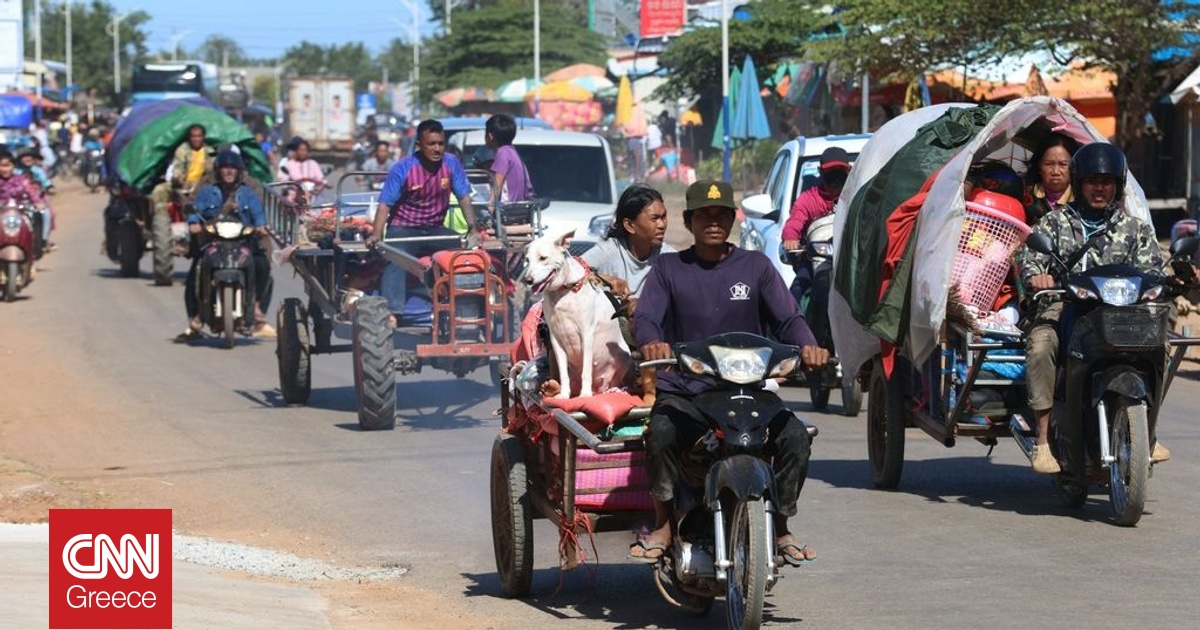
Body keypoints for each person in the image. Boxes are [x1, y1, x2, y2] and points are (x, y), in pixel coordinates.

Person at [630, 179, 828, 564]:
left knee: (795, 439)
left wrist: (809, 345)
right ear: (689, 221)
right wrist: (652, 342)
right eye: (704, 215)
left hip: (747, 391)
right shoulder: (670, 268)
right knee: (661, 432)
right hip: (687, 391)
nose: (713, 222)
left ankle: (782, 525)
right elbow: (648, 318)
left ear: (733, 219)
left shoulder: (756, 266)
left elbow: (788, 318)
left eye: (721, 215)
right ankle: (664, 522)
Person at [1019, 142, 1166, 474]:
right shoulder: (1055, 224)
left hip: (1120, 312)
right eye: (1092, 181)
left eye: (1107, 182)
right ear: (1080, 182)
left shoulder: (1134, 229)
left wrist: (1163, 282)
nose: (1099, 189)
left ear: (1117, 185)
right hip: (1064, 305)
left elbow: (1153, 268)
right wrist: (1037, 276)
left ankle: (1149, 431)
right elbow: (1029, 261)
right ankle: (1043, 442)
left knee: (1161, 341)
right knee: (1042, 345)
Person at [367, 119, 479, 320]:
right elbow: (384, 204)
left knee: (463, 255)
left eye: (440, 144)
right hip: (403, 229)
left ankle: (464, 305)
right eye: (431, 144)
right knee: (395, 257)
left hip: (435, 229)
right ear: (419, 144)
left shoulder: (451, 163)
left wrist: (473, 229)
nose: (437, 149)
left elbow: (464, 197)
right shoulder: (403, 168)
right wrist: (376, 234)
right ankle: (393, 312)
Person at [175, 150, 274, 342]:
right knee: (197, 271)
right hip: (214, 241)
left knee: (262, 265)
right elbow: (196, 207)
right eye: (225, 168)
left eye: (233, 168)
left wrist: (261, 226)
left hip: (243, 241)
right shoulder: (207, 189)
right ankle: (197, 318)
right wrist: (194, 222)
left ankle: (254, 305)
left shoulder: (248, 191)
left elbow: (258, 212)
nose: (229, 172)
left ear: (239, 171)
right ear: (218, 170)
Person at [781, 146, 852, 304]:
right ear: (821, 172)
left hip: (851, 257)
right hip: (816, 259)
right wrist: (790, 237)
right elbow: (795, 221)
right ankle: (791, 325)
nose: (836, 177)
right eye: (831, 172)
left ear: (850, 171)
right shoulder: (808, 199)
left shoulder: (856, 196)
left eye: (840, 171)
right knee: (797, 289)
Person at [582, 183, 675, 299]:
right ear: (630, 225)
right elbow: (572, 270)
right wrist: (604, 279)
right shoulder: (609, 252)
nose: (661, 225)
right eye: (654, 219)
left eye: (663, 217)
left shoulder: (668, 258)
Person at [150, 124, 215, 285]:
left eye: (199, 136)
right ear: (189, 138)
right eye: (193, 136)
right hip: (183, 186)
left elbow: (214, 171)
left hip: (203, 187)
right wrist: (179, 180)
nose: (196, 139)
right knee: (158, 191)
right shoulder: (182, 150)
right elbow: (177, 169)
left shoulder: (209, 151)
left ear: (203, 137)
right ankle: (161, 218)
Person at [1024, 133, 1077, 226]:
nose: (1056, 172)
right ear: (1039, 165)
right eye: (1049, 164)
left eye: (1063, 164)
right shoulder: (1025, 194)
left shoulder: (1080, 199)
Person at [484, 114, 534, 209]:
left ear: (490, 136)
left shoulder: (502, 153)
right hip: (520, 209)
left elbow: (497, 187)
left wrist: (488, 213)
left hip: (508, 211)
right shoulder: (512, 152)